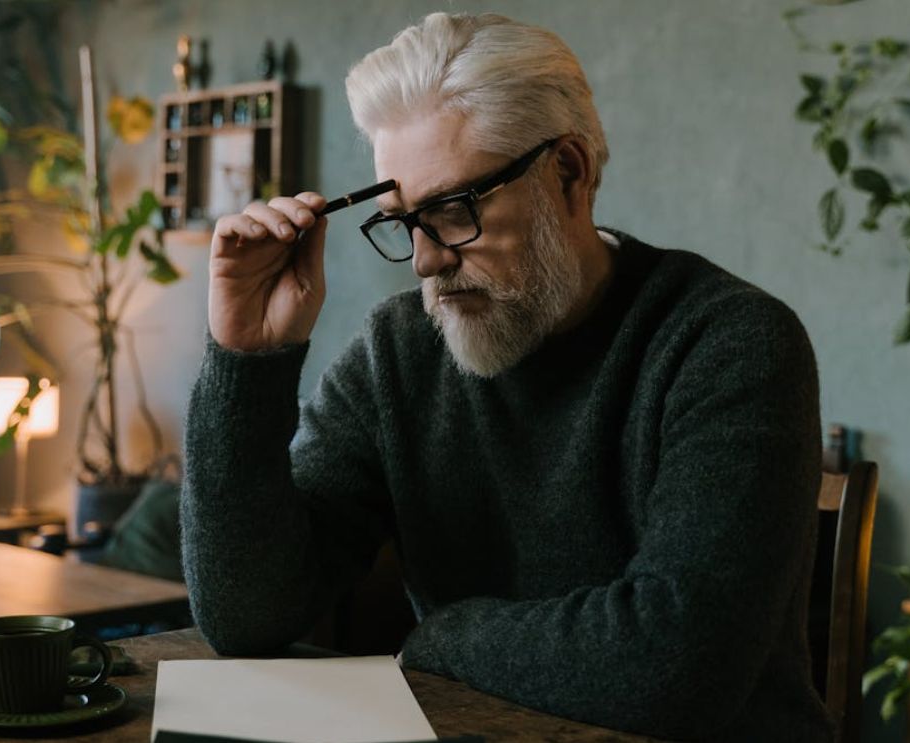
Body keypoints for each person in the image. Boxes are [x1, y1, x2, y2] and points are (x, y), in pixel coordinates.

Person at [181, 12, 832, 742]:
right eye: (403, 220)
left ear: (569, 172)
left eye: (452, 209)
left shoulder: (728, 342)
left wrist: (445, 637)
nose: (426, 261)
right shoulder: (397, 352)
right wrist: (245, 362)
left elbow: (676, 668)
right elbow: (246, 614)